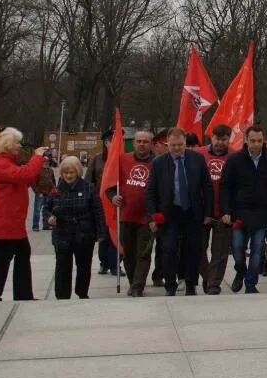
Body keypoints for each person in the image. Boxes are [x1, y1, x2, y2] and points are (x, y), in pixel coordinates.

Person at [0, 126, 48, 302]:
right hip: (6, 220)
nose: (20, 146)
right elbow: (23, 177)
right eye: (17, 143)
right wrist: (37, 158)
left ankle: (21, 294)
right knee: (4, 257)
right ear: (7, 144)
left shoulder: (1, 162)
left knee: (19, 253)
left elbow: (19, 181)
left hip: (10, 220)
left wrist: (33, 168)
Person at [145, 127, 214, 295]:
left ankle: (191, 283)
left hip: (192, 212)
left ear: (185, 143)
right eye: (173, 145)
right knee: (168, 249)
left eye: (180, 145)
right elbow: (150, 192)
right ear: (168, 144)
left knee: (193, 249)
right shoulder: (159, 163)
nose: (177, 148)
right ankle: (170, 284)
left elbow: (207, 187)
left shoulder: (197, 159)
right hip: (169, 214)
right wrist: (152, 217)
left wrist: (208, 213)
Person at [220, 125, 267, 294]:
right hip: (238, 212)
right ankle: (240, 271)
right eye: (252, 141)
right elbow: (225, 187)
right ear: (246, 140)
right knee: (237, 248)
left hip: (261, 212)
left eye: (259, 141)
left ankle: (251, 284)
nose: (256, 144)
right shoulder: (234, 159)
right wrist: (226, 211)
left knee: (257, 250)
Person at [44, 156, 106, 299]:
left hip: (84, 235)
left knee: (84, 267)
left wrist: (100, 233)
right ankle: (62, 295)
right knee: (62, 267)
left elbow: (98, 211)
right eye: (65, 173)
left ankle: (82, 292)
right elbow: (46, 207)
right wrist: (49, 218)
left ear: (77, 172)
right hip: (62, 236)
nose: (68, 176)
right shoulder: (56, 190)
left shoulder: (88, 188)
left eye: (71, 172)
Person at [110, 130, 155, 297]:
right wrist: (113, 197)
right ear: (133, 143)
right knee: (128, 254)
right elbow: (109, 184)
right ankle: (133, 281)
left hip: (147, 217)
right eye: (139, 141)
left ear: (151, 144)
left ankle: (137, 286)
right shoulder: (122, 160)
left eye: (145, 141)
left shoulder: (157, 162)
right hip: (126, 215)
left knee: (143, 253)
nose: (142, 144)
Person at [197, 124, 232, 295]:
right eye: (217, 139)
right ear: (211, 138)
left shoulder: (235, 156)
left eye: (224, 139)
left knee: (220, 251)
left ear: (229, 139)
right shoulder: (198, 154)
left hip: (224, 213)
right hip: (202, 211)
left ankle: (214, 285)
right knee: (198, 249)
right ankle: (208, 276)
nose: (220, 142)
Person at [86, 130, 122, 277]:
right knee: (104, 234)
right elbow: (89, 180)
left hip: (117, 203)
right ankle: (104, 263)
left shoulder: (122, 159)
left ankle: (116, 264)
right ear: (105, 143)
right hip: (100, 202)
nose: (112, 144)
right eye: (110, 141)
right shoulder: (98, 159)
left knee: (117, 234)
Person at [31, 150, 57, 231]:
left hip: (49, 194)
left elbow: (53, 182)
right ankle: (35, 225)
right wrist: (38, 192)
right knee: (37, 210)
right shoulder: (38, 170)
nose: (46, 162)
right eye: (44, 161)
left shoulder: (50, 170)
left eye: (47, 161)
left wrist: (54, 190)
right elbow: (33, 183)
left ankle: (46, 225)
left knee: (46, 210)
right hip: (40, 194)